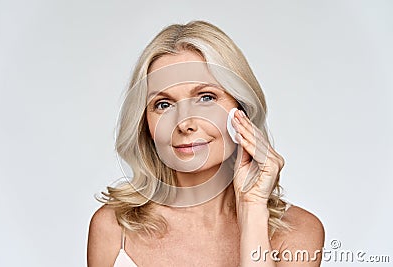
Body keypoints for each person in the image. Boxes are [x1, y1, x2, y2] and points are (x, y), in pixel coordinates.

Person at [87, 20, 324, 267]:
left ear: (240, 109)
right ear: (145, 122)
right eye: (164, 104)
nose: (184, 123)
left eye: (206, 98)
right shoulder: (114, 227)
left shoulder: (297, 233)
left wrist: (252, 208)